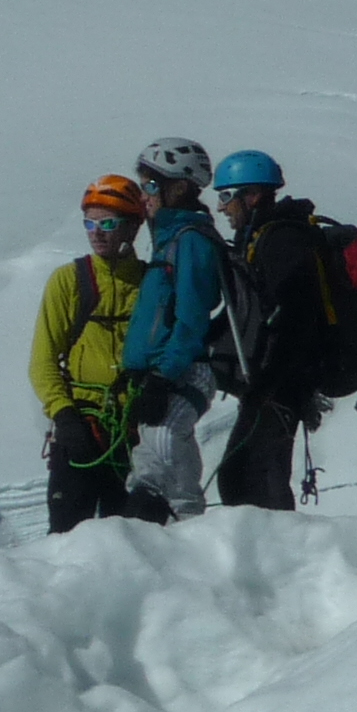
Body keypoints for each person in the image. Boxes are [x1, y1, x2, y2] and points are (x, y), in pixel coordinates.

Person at [208, 149, 331, 511]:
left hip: (282, 381)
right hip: (279, 379)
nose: (222, 208)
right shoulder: (270, 238)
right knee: (245, 476)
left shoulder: (280, 242)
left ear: (253, 195)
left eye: (227, 197)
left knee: (251, 478)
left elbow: (293, 313)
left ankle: (282, 554)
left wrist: (270, 376)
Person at [30, 175, 149, 532]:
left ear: (133, 227)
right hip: (81, 429)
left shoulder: (150, 283)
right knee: (65, 542)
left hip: (133, 434)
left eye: (107, 223)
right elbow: (43, 361)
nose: (96, 232)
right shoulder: (68, 281)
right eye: (90, 223)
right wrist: (65, 417)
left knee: (133, 543)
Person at [118, 136, 224, 522]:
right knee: (148, 467)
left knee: (166, 445)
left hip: (184, 370)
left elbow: (192, 318)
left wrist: (164, 376)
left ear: (178, 187)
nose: (143, 197)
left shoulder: (191, 241)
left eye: (149, 185)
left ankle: (191, 537)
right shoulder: (166, 241)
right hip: (160, 373)